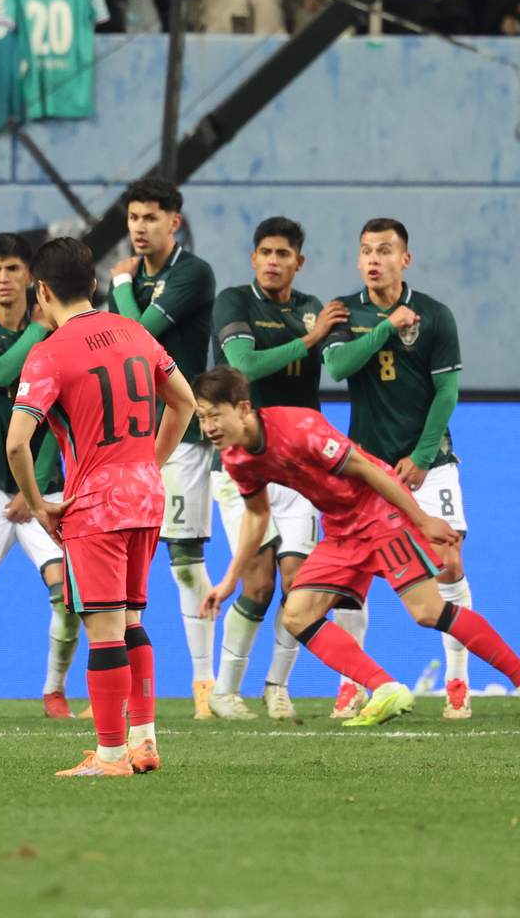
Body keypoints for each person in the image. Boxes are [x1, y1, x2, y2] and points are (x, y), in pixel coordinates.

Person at [196, 366, 520, 725]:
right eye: (201, 417)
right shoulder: (236, 457)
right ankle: (386, 688)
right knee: (296, 615)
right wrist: (228, 582)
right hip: (341, 527)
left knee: (428, 612)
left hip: (379, 513)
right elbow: (257, 517)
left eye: (215, 415)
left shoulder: (300, 427)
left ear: (243, 410)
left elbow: (367, 468)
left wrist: (423, 519)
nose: (208, 426)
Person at [7, 237, 198, 776]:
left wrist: (39, 503)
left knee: (104, 629)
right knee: (133, 620)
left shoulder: (48, 353)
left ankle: (111, 755)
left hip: (96, 503)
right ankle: (144, 741)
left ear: (40, 291)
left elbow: (17, 442)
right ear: (92, 283)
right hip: (146, 496)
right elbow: (184, 402)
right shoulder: (136, 332)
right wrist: (148, 462)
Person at [321, 219, 474, 718]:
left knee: (448, 563)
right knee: (352, 577)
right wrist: (387, 326)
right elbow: (339, 368)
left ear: (404, 259)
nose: (373, 259)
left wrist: (423, 457)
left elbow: (447, 393)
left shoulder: (435, 315)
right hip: (366, 468)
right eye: (365, 250)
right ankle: (352, 682)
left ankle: (457, 679)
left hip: (430, 463)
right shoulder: (345, 312)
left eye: (384, 251)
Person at [206, 217, 349, 720]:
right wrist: (309, 342)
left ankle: (277, 687)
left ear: (298, 262)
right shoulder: (234, 301)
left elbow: (340, 361)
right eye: (264, 252)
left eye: (283, 254)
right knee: (258, 583)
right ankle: (224, 691)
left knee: (300, 584)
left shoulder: (314, 309)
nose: (272, 261)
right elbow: (242, 367)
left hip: (301, 468)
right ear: (253, 258)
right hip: (242, 466)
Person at [0, 233, 82, 720]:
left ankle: (54, 693)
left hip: (45, 488)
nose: (3, 278)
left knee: (68, 602)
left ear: (31, 278)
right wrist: (39, 328)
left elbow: (62, 411)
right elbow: (2, 373)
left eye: (12, 269)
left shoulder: (65, 331)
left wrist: (35, 488)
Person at [108, 176, 219, 719]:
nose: (139, 228)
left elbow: (136, 337)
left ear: (174, 222)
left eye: (150, 218)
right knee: (124, 558)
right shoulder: (130, 280)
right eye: (133, 218)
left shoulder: (192, 273)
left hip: (183, 434)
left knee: (182, 558)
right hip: (130, 437)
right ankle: (116, 685)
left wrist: (122, 287)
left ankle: (206, 686)